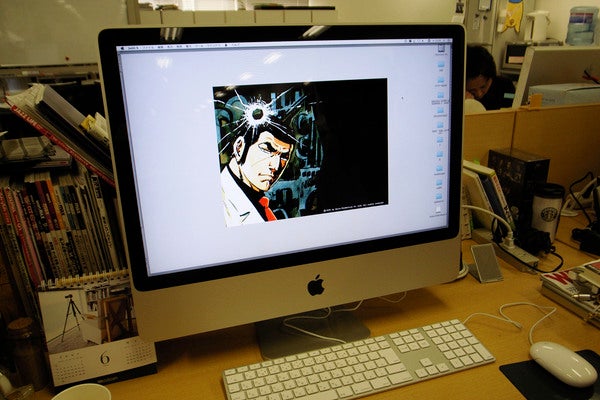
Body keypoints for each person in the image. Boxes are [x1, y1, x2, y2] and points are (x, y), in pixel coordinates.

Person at [220, 116, 296, 226]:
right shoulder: (222, 207)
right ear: (239, 148)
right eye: (267, 150)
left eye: (284, 157)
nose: (275, 166)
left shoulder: (256, 198)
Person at [466, 45, 515, 110]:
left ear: (491, 78)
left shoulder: (505, 87)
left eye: (483, 87)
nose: (479, 94)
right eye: (472, 91)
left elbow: (512, 97)